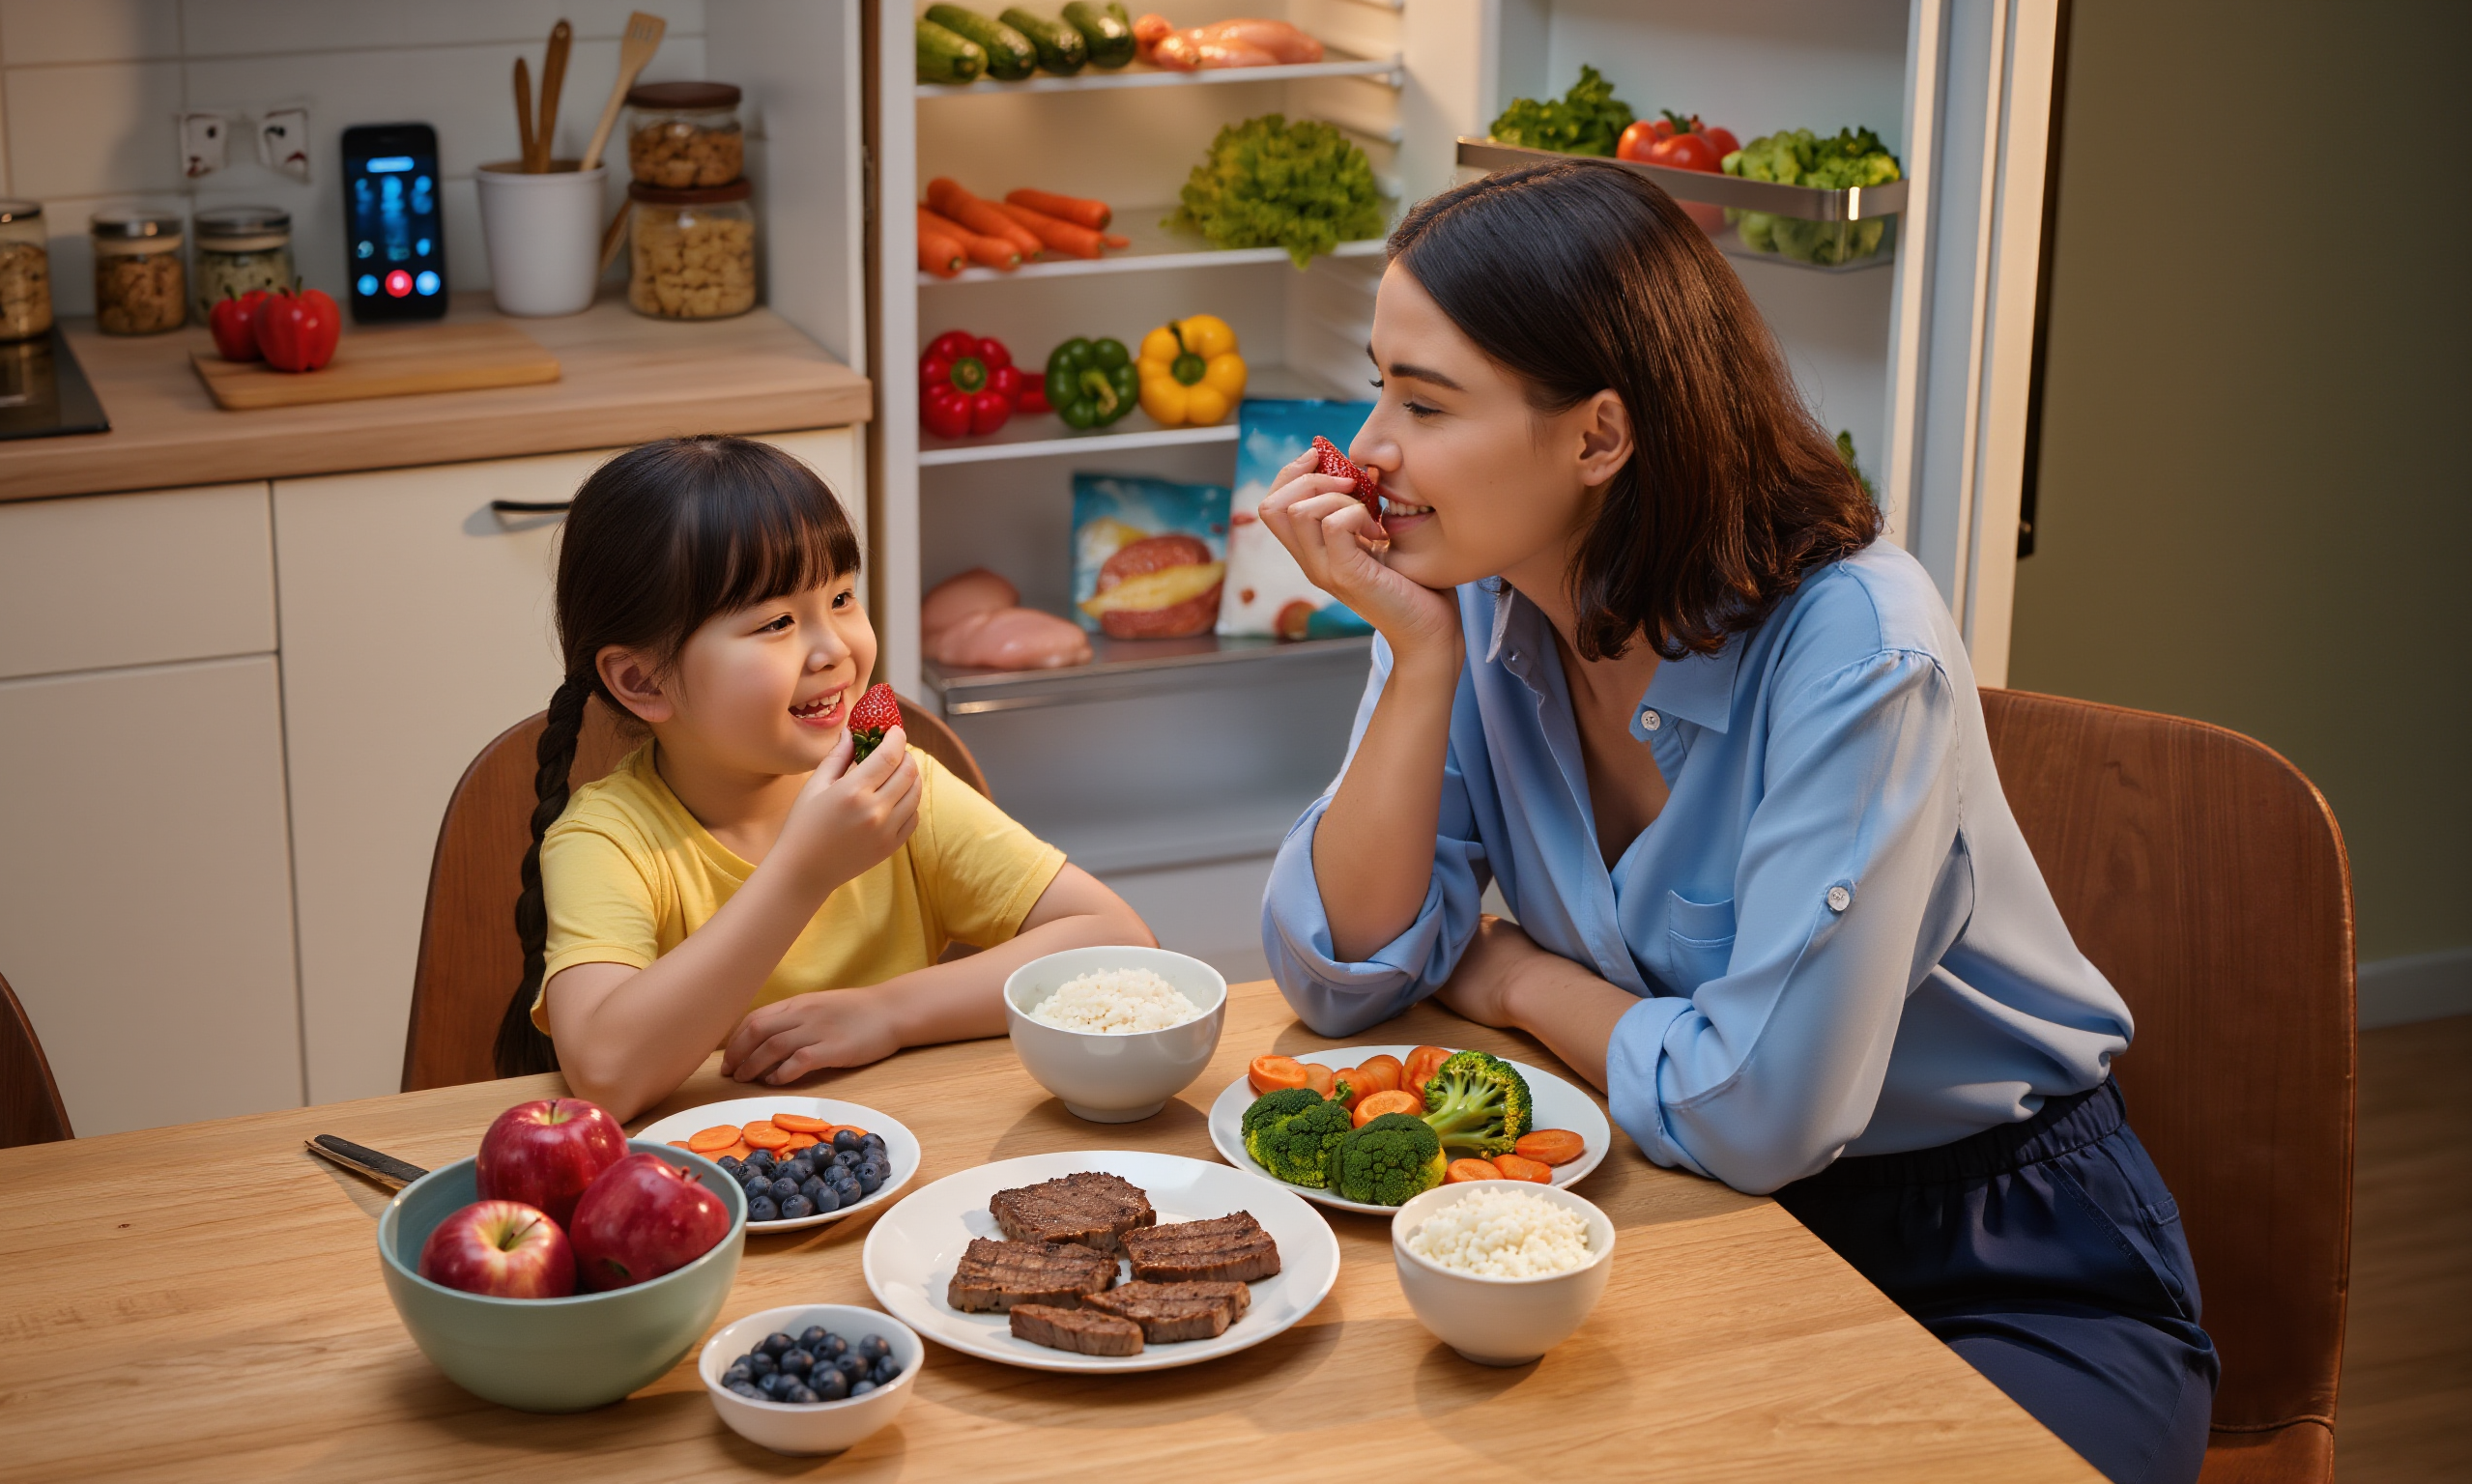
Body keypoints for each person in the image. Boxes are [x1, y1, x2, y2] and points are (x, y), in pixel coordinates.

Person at [1257, 160, 2216, 1484]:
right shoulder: (1466, 599)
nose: (1368, 449)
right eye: (1381, 386)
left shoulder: (1858, 649)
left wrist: (1515, 972)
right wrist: (1415, 661)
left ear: (1600, 436)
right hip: (1672, 1213)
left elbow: (1764, 1110)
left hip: (1993, 1256)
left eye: (1423, 402)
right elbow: (1343, 968)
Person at [493, 435, 1154, 1120]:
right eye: (777, 621)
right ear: (642, 680)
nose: (836, 648)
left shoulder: (894, 784)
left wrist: (886, 1013)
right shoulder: (608, 840)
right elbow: (607, 1073)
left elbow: (1119, 940)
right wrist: (803, 872)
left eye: (841, 598)